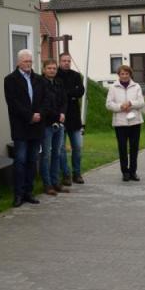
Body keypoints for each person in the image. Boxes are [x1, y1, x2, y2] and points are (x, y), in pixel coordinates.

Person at [4, 49, 46, 208]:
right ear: (18, 63)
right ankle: (18, 194)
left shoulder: (39, 80)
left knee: (32, 160)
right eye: (25, 61)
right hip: (21, 126)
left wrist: (39, 114)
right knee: (20, 160)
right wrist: (29, 116)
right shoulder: (10, 80)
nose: (28, 64)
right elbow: (13, 103)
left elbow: (45, 100)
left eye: (30, 61)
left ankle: (29, 192)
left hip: (37, 126)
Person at [106, 64, 145, 181]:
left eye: (126, 73)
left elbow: (142, 102)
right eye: (122, 74)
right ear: (118, 75)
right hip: (120, 123)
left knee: (134, 148)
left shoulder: (136, 86)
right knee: (122, 148)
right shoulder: (113, 87)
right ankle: (125, 172)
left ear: (130, 74)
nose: (124, 76)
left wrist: (131, 103)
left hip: (135, 122)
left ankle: (133, 172)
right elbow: (108, 104)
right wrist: (120, 106)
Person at [38, 59, 68, 196]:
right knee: (46, 155)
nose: (52, 70)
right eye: (49, 68)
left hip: (59, 124)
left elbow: (64, 100)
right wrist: (56, 116)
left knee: (57, 153)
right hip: (46, 124)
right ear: (44, 69)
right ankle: (47, 184)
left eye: (54, 68)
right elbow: (44, 104)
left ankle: (56, 182)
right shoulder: (39, 83)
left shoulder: (59, 83)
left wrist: (62, 113)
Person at [57, 52, 86, 184]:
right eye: (64, 60)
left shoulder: (75, 75)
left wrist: (66, 94)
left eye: (68, 61)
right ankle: (66, 174)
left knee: (77, 147)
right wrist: (70, 94)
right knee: (61, 149)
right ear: (59, 61)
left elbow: (80, 91)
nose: (66, 63)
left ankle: (77, 173)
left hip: (74, 117)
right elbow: (57, 94)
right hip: (60, 117)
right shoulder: (54, 75)